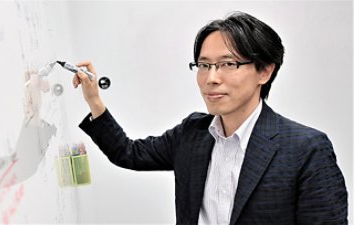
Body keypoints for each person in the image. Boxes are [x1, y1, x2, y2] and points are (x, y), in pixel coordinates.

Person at [73, 12, 347, 225]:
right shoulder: (192, 133)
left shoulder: (306, 148)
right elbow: (128, 153)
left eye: (228, 64)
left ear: (264, 72)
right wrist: (94, 100)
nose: (211, 78)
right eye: (204, 65)